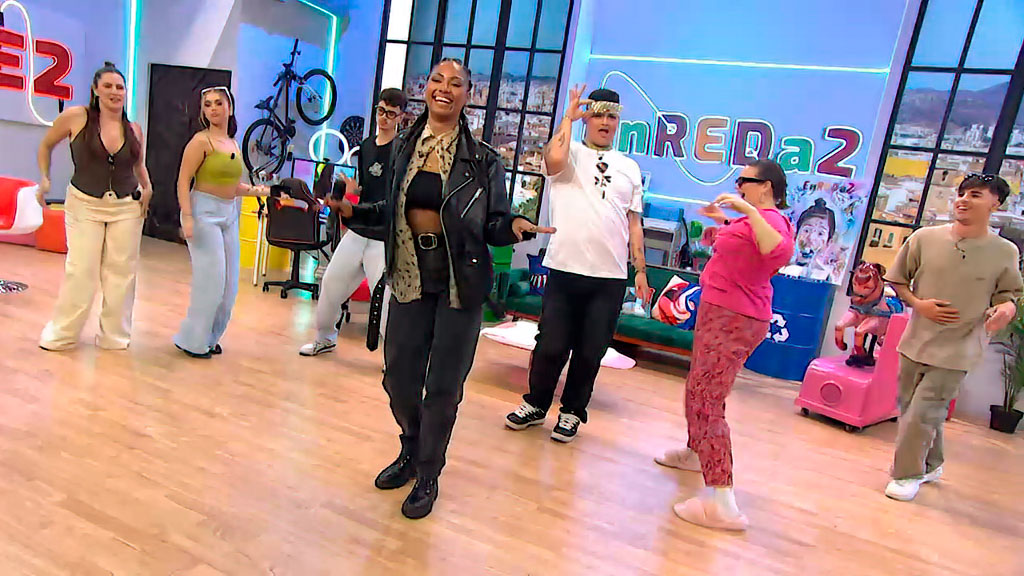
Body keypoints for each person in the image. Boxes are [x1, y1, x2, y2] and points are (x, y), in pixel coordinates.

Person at [332, 59, 551, 519]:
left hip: (458, 285)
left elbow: (493, 221)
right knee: (398, 379)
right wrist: (354, 212)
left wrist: (513, 226)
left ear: (467, 95)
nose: (444, 88)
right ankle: (411, 448)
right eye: (436, 80)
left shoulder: (483, 160)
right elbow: (387, 208)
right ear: (426, 88)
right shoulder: (404, 147)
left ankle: (428, 474)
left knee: (443, 387)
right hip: (409, 278)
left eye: (455, 83)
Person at [504, 86, 650, 443]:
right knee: (551, 345)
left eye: (611, 116)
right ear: (587, 119)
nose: (605, 122)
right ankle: (536, 404)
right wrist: (568, 117)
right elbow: (552, 160)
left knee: (590, 351)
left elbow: (634, 223)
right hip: (565, 269)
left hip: (610, 277)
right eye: (598, 115)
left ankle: (571, 412)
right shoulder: (568, 152)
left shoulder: (629, 168)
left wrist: (641, 270)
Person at [654, 159, 794, 531]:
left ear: (765, 187)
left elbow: (779, 251)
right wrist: (723, 221)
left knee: (707, 399)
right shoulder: (751, 220)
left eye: (744, 180)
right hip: (719, 311)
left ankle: (722, 499)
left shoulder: (771, 220)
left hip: (735, 317)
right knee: (698, 389)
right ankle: (695, 452)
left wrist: (747, 209)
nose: (738, 186)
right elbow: (745, 248)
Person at [883, 174, 1022, 502]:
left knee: (923, 413)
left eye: (975, 195)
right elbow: (898, 281)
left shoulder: (1004, 251)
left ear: (995, 204)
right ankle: (932, 464)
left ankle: (906, 475)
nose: (963, 200)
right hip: (915, 341)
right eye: (961, 193)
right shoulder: (924, 238)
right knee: (913, 410)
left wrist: (1005, 310)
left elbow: (1008, 296)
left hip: (960, 347)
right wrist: (918, 304)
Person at [37, 62, 153, 351]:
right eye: (108, 86)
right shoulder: (77, 117)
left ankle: (115, 336)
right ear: (96, 90)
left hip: (126, 206)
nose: (115, 92)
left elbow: (138, 165)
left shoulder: (134, 129)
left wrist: (148, 188)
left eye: (120, 87)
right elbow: (46, 145)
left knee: (122, 273)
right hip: (84, 204)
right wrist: (45, 178)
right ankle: (62, 334)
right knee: (81, 271)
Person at [299, 88, 407, 358]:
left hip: (383, 235)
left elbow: (393, 198)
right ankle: (325, 338)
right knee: (331, 284)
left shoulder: (402, 151)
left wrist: (353, 207)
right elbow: (369, 187)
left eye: (390, 113)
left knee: (384, 299)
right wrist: (354, 190)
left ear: (400, 117)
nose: (383, 118)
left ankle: (393, 358)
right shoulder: (367, 147)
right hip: (358, 231)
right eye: (380, 111)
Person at [173, 87, 268, 358]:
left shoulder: (233, 143)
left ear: (230, 107)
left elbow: (233, 186)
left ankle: (210, 337)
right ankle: (192, 340)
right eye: (207, 104)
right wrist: (187, 216)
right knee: (211, 282)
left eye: (218, 103)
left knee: (229, 286)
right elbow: (183, 180)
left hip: (228, 213)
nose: (213, 108)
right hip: (203, 212)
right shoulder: (200, 142)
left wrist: (264, 191)